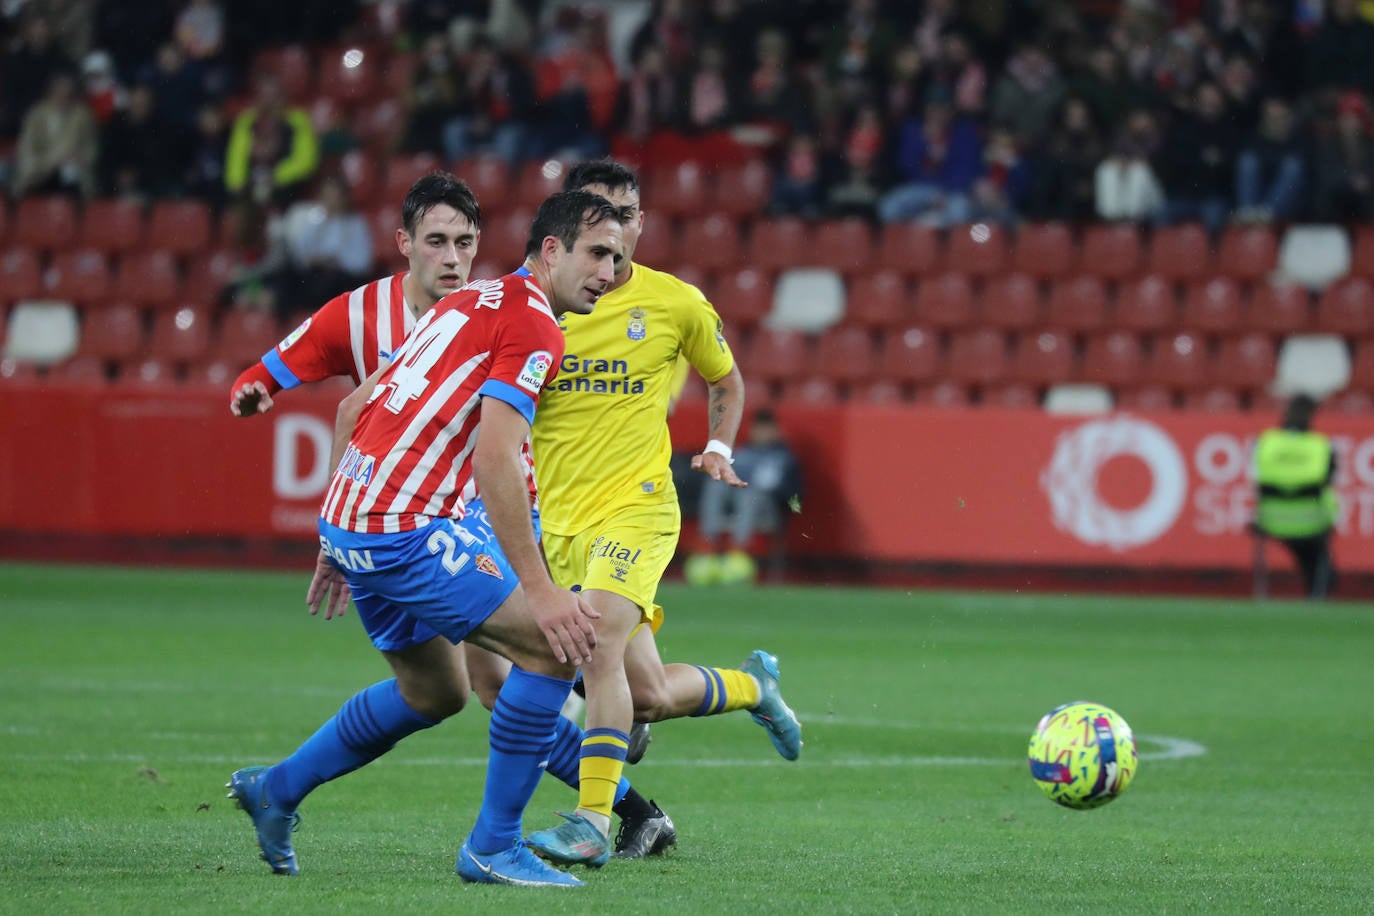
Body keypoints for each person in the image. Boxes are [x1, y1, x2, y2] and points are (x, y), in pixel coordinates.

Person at [227, 173, 674, 866]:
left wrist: (335, 534)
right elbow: (496, 459)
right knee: (553, 646)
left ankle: (276, 791)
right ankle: (499, 846)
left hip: (361, 519)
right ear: (551, 251)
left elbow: (358, 411)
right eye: (596, 255)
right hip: (408, 527)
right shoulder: (530, 326)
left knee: (434, 691)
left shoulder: (468, 301)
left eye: (618, 260)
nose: (610, 275)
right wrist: (543, 589)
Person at [524, 159, 802, 869]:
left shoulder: (675, 303)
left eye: (629, 216)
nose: (618, 231)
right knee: (642, 694)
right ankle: (752, 686)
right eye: (601, 215)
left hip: (639, 509)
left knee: (597, 648)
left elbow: (727, 381)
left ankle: (591, 822)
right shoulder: (534, 302)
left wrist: (715, 444)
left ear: (640, 223)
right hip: (559, 519)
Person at [686, 407, 802, 586]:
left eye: (766, 429)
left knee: (750, 493)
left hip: (768, 508)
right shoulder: (741, 454)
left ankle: (738, 552)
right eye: (758, 429)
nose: (762, 433)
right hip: (736, 503)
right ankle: (707, 546)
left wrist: (778, 492)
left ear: (776, 431)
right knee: (715, 487)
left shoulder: (784, 457)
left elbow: (795, 495)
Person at [1253, 394, 1338, 600]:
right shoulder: (1320, 446)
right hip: (1312, 522)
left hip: (1271, 520)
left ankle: (1316, 584)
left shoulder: (1267, 442)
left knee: (1308, 554)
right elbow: (1328, 480)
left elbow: (1258, 479)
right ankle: (1320, 590)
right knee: (1316, 550)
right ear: (1311, 417)